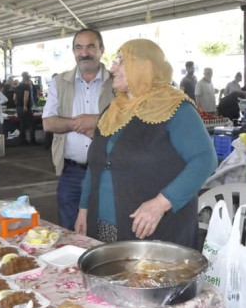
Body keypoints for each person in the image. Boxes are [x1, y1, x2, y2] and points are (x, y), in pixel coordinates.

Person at [74, 39, 217, 248]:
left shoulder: (176, 108)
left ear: (145, 66)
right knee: (109, 279)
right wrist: (84, 209)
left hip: (156, 229)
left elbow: (205, 160)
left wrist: (161, 203)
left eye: (121, 61)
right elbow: (95, 166)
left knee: (145, 279)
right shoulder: (113, 111)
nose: (112, 68)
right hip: (103, 225)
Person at [42, 28, 114, 230]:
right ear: (73, 51)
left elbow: (129, 120)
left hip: (108, 171)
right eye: (78, 47)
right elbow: (48, 123)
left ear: (101, 49)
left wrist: (97, 120)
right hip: (71, 172)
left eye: (90, 46)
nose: (84, 53)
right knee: (69, 229)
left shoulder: (116, 82)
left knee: (105, 229)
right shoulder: (60, 82)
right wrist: (81, 123)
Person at [14, 72, 37, 145]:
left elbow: (14, 98)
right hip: (25, 107)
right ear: (28, 79)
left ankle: (22, 141)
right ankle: (32, 141)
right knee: (31, 125)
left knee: (21, 124)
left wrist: (18, 104)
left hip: (18, 107)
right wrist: (24, 105)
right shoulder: (27, 86)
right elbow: (26, 96)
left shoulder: (17, 86)